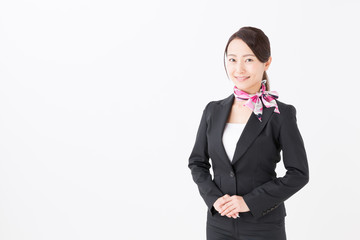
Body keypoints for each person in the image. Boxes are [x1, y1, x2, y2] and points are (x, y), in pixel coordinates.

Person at [188, 26, 309, 240]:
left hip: (263, 226)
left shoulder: (281, 114)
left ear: (267, 62)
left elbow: (298, 174)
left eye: (249, 60)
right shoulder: (212, 110)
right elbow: (197, 163)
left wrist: (248, 202)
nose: (239, 68)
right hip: (219, 224)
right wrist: (214, 199)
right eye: (232, 59)